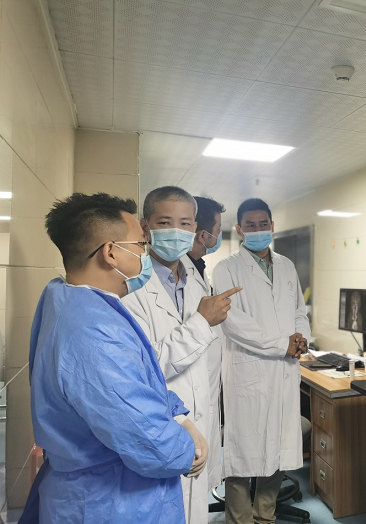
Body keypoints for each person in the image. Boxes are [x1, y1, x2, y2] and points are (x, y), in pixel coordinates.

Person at [26, 193, 206, 524]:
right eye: (140, 244)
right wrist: (187, 449)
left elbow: (135, 380)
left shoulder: (71, 300)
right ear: (110, 252)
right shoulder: (91, 331)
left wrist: (179, 416)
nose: (145, 253)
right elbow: (148, 440)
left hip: (99, 491)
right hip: (109, 502)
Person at [122, 186, 240, 524]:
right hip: (165, 425)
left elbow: (205, 365)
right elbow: (145, 368)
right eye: (165, 222)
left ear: (195, 229)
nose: (177, 231)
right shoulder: (130, 288)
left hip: (198, 422)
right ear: (145, 226)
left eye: (185, 223)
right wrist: (202, 321)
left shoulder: (196, 282)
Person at [213, 198, 310, 524]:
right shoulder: (226, 269)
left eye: (263, 224)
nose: (257, 230)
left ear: (272, 226)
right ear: (239, 229)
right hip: (248, 374)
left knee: (277, 452)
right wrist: (282, 345)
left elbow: (298, 310)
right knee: (242, 455)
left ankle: (265, 517)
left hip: (284, 372)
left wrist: (301, 338)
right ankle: (240, 520)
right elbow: (233, 323)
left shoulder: (286, 266)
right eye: (250, 225)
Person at [183, 195, 226, 491]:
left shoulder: (198, 267)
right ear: (204, 235)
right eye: (218, 230)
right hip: (188, 389)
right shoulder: (180, 272)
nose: (218, 237)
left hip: (206, 381)